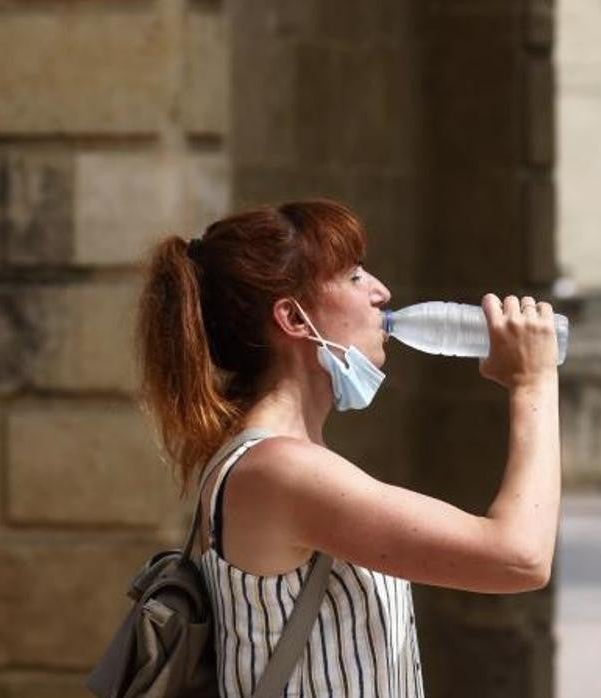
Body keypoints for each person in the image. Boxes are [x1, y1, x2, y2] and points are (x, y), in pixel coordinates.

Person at [135, 199, 561, 697]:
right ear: (293, 318)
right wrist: (533, 384)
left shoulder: (275, 461)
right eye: (355, 277)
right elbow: (520, 557)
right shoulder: (281, 470)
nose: (381, 292)